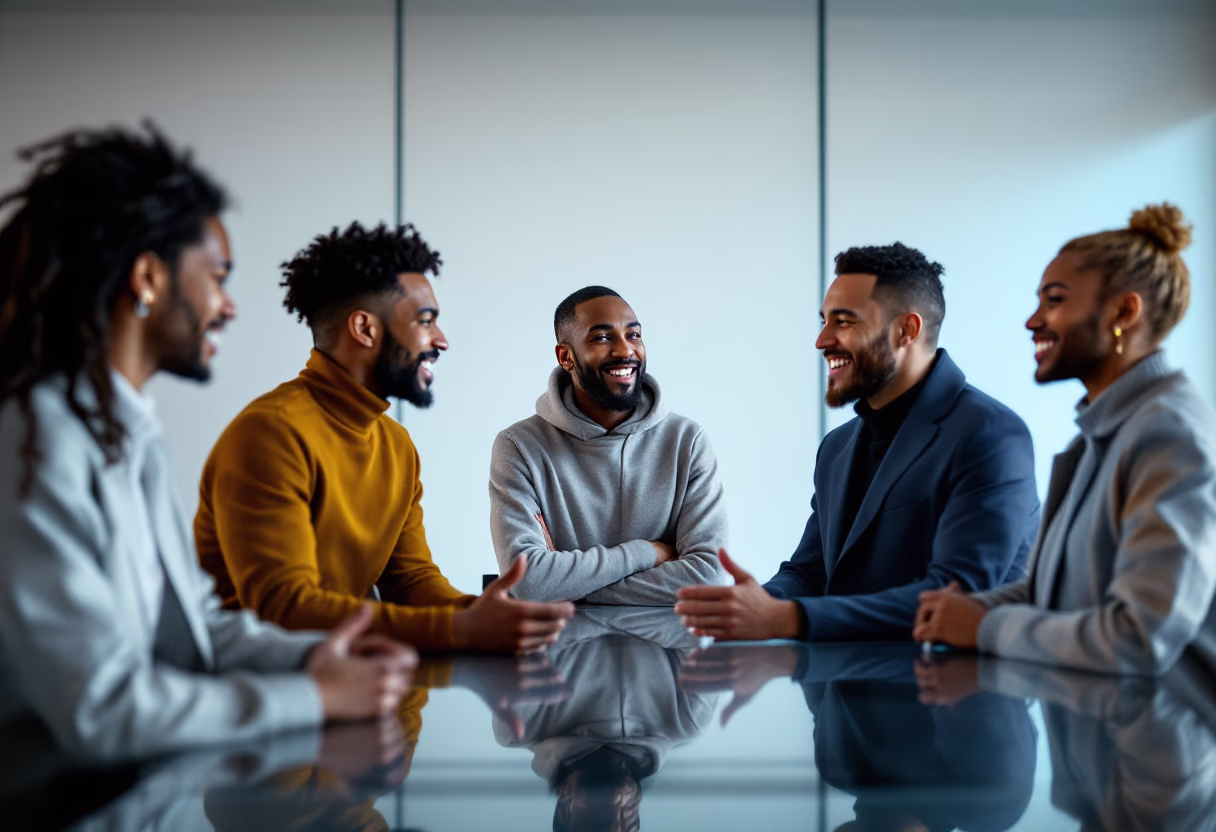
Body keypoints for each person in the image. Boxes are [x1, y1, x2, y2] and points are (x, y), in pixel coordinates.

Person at [0, 125, 415, 762]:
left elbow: (198, 633)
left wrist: (323, 654)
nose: (228, 307)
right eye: (217, 277)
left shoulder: (130, 436)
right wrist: (316, 697)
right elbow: (102, 710)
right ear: (147, 278)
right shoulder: (33, 440)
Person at [195, 222, 574, 653]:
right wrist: (460, 629)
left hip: (357, 684)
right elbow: (285, 610)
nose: (441, 340)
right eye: (425, 321)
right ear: (365, 329)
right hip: (256, 697)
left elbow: (411, 582)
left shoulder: (395, 444)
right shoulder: (270, 434)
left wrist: (479, 614)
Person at [676, 244, 1039, 640]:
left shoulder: (990, 433)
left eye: (844, 322)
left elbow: (957, 598)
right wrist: (756, 604)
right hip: (842, 694)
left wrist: (787, 618)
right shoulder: (837, 446)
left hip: (952, 693)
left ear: (907, 330)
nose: (821, 340)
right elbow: (810, 572)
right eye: (824, 320)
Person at [914, 204, 1216, 677]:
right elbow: (1050, 593)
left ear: (1124, 310)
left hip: (1157, 745)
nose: (1033, 321)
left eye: (1054, 301)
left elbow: (1137, 639)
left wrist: (984, 628)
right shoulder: (1100, 434)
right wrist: (961, 610)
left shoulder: (1170, 433)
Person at [489, 286, 728, 604]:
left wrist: (570, 588)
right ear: (566, 357)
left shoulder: (688, 442)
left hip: (668, 651)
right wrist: (648, 553)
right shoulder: (519, 447)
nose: (625, 350)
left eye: (634, 335)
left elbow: (709, 578)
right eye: (602, 338)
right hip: (559, 651)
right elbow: (528, 581)